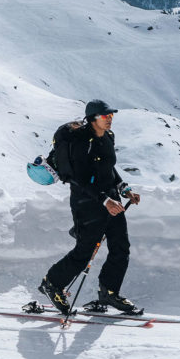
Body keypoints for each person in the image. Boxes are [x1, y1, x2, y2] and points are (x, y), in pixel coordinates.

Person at [40, 100, 143, 315]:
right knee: (85, 251)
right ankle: (52, 284)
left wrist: (124, 189)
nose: (110, 119)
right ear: (92, 119)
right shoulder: (80, 141)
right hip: (86, 203)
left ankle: (109, 292)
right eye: (105, 116)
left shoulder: (108, 137)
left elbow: (109, 168)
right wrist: (105, 200)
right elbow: (79, 178)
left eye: (111, 116)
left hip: (112, 201)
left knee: (120, 247)